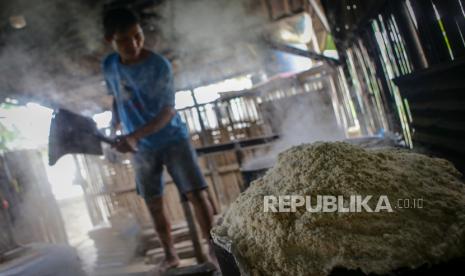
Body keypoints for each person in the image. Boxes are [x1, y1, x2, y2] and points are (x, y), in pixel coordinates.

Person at [101, 7, 217, 272]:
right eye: (123, 40)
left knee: (196, 193)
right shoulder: (109, 65)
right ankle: (170, 254)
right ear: (111, 40)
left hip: (173, 138)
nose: (133, 44)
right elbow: (117, 99)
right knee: (153, 202)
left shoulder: (158, 65)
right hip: (142, 149)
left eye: (137, 36)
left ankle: (213, 248)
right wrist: (114, 128)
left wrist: (132, 136)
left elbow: (168, 111)